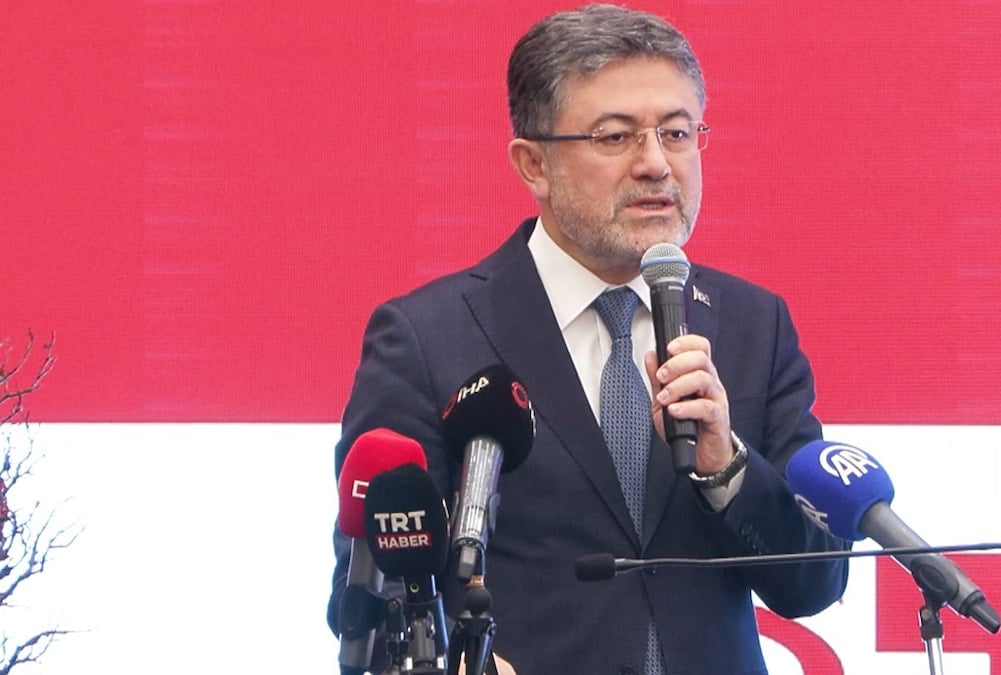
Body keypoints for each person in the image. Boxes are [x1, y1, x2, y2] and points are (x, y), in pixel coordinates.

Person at [327, 5, 849, 674]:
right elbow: (370, 600)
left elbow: (815, 580)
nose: (656, 165)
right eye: (616, 137)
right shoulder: (428, 339)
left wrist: (726, 467)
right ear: (533, 165)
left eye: (677, 132)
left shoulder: (753, 324)